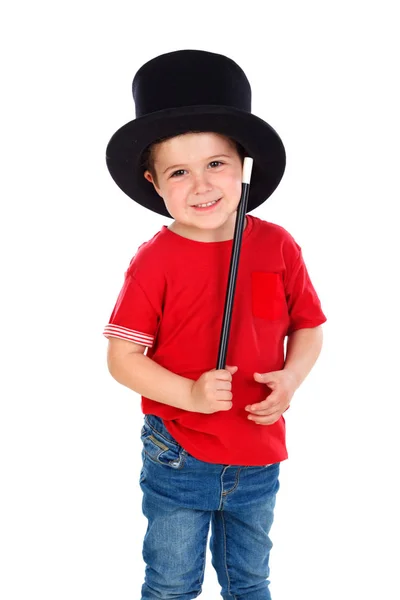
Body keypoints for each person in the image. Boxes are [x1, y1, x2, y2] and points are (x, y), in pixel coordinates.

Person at [103, 49, 327, 600]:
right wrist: (189, 392)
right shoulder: (154, 260)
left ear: (244, 165)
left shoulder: (276, 244)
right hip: (179, 449)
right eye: (180, 171)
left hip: (258, 452)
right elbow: (122, 358)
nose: (201, 186)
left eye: (216, 164)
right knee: (173, 580)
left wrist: (292, 378)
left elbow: (309, 327)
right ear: (155, 182)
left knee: (250, 580)